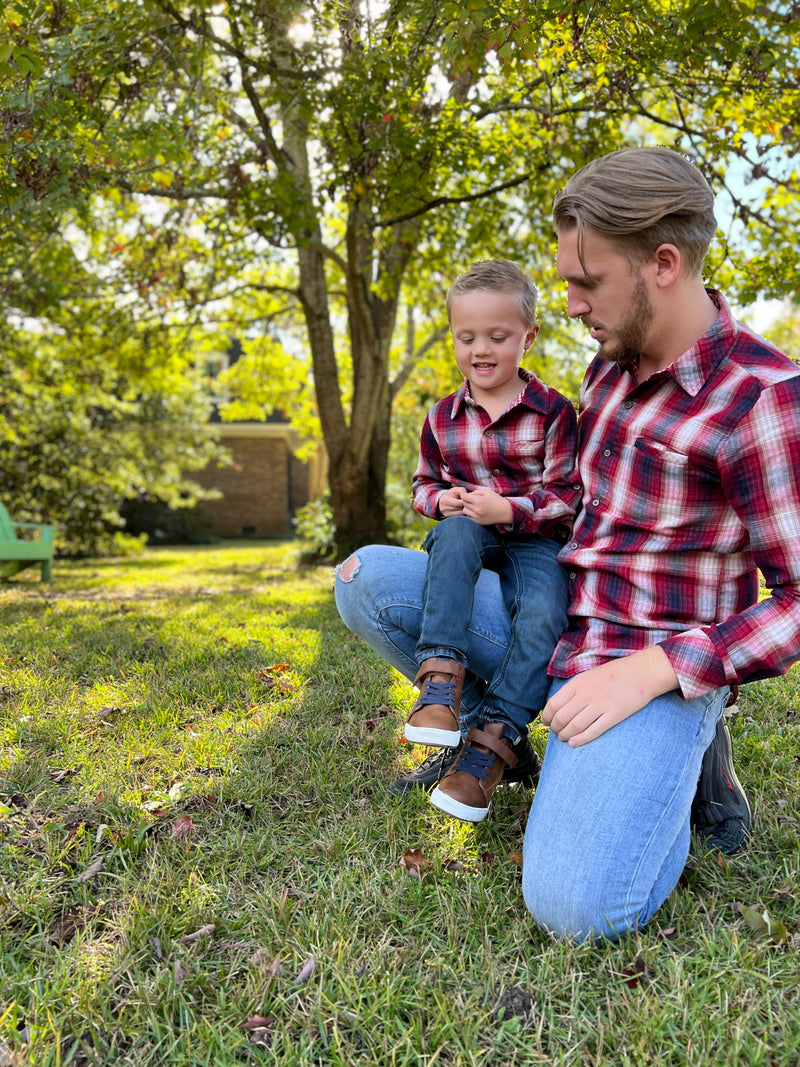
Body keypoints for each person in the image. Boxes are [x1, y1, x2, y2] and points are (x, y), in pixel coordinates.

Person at [335, 146, 800, 942]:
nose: (572, 303)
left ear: (662, 262)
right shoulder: (606, 370)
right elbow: (572, 507)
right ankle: (503, 738)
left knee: (577, 906)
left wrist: (653, 671)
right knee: (367, 579)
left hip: (647, 662)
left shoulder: (760, 400)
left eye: (587, 282)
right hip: (557, 619)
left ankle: (691, 756)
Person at [406, 259, 579, 823]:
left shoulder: (554, 412)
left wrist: (512, 508)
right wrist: (442, 502)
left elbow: (568, 494)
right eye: (466, 337)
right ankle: (440, 686)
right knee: (452, 532)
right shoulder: (440, 417)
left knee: (546, 608)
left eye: (498, 337)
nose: (481, 349)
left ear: (528, 338)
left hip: (535, 540)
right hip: (471, 534)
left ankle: (494, 743)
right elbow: (423, 485)